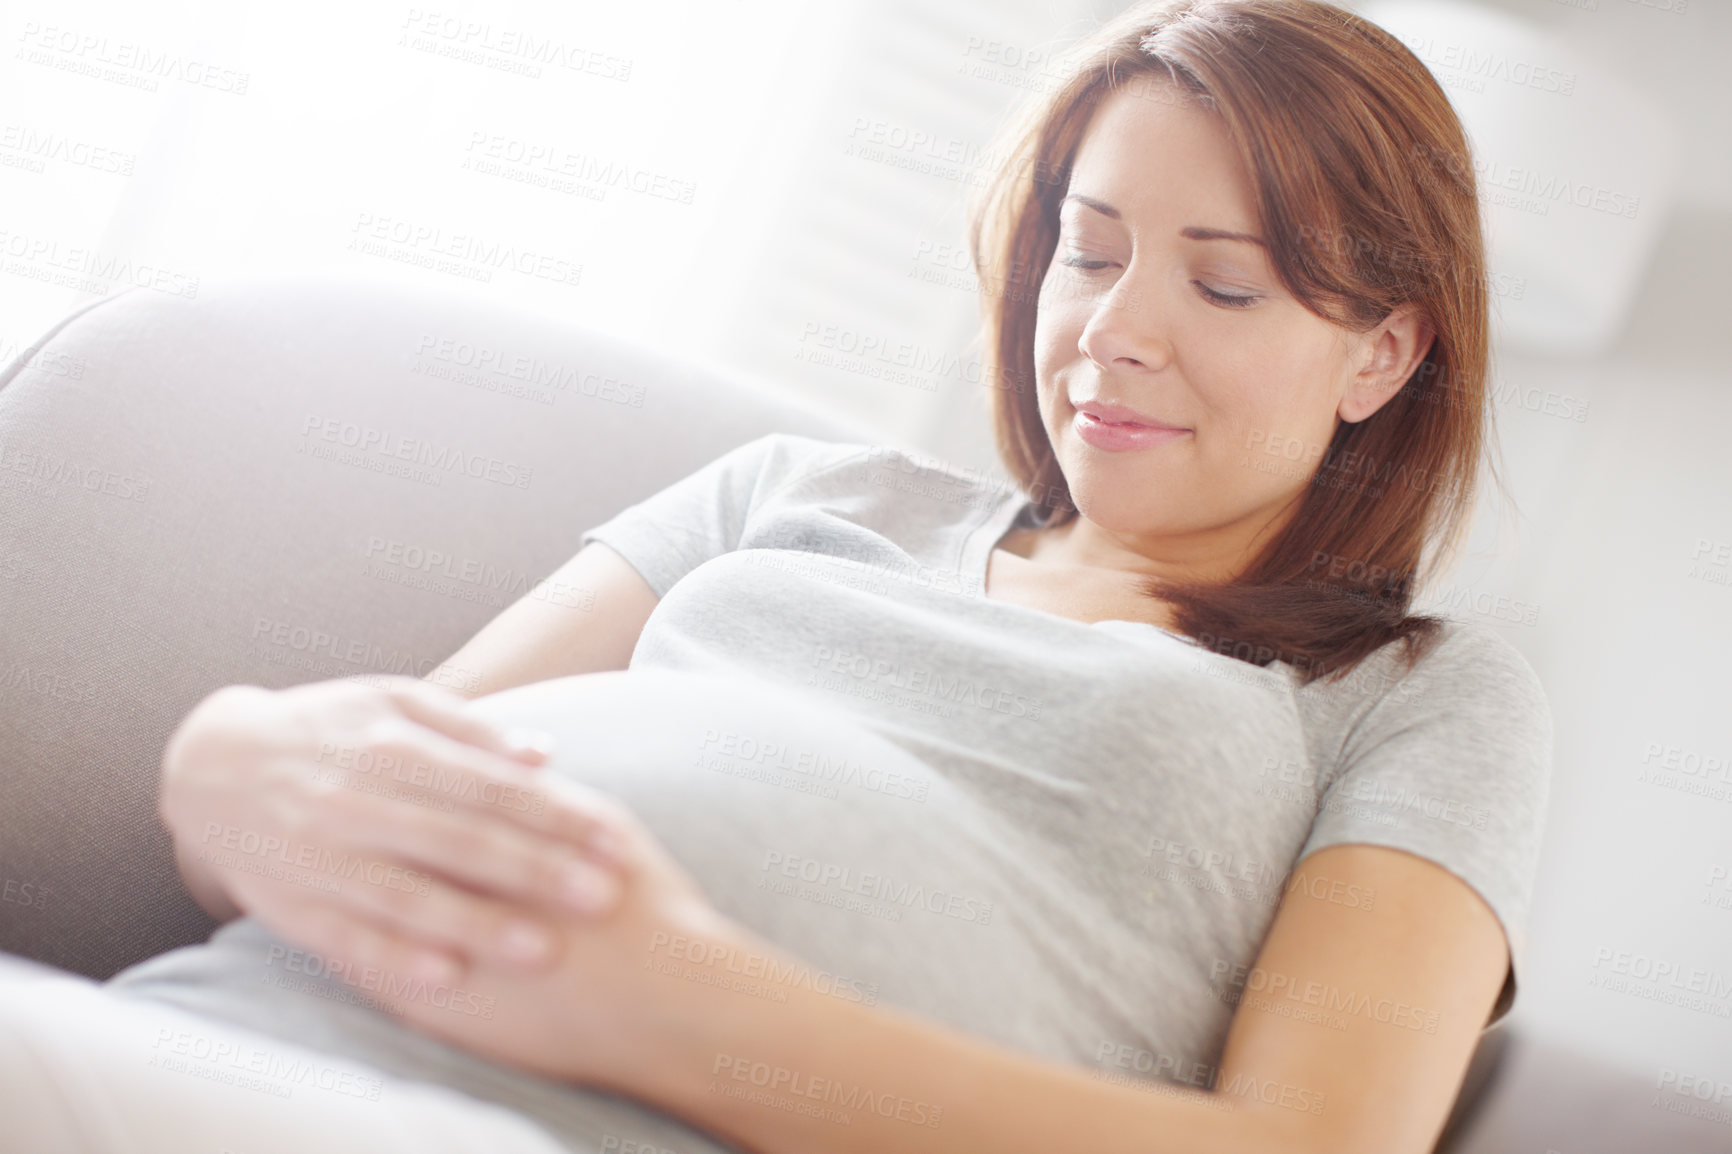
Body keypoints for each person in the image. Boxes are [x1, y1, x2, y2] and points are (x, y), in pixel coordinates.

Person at [0, 1, 1553, 1152]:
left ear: (1384, 350)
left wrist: (678, 1006)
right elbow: (375, 788)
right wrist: (224, 767)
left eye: (1224, 280)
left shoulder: (1408, 697)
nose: (1114, 329)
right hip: (228, 1033)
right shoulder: (793, 495)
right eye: (1087, 252)